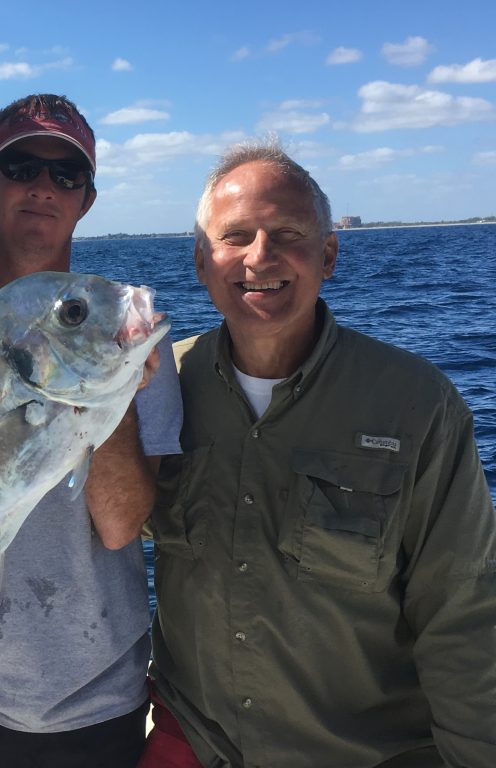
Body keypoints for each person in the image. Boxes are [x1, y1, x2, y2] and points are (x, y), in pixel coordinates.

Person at [142, 141, 496, 767]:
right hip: (197, 739)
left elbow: (462, 612)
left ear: (328, 254)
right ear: (201, 260)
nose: (260, 257)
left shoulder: (417, 405)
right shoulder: (157, 384)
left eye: (287, 234)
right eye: (235, 236)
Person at [0, 94, 182, 767]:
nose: (43, 188)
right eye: (21, 167)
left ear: (87, 199)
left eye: (66, 175)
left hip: (97, 696)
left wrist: (105, 382)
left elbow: (120, 526)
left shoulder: (132, 341)